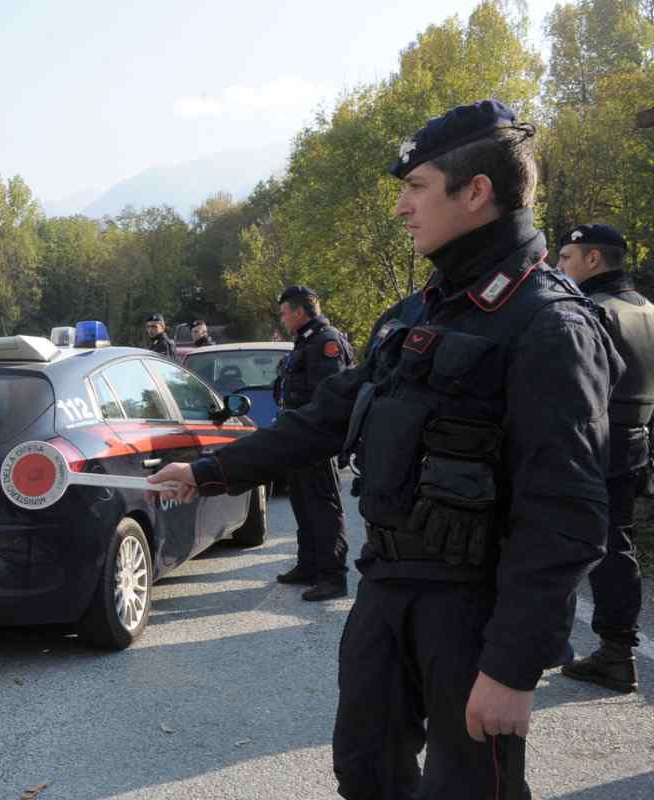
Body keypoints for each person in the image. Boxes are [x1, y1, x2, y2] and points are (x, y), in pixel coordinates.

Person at [149, 100, 619, 799]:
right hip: (388, 589)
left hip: (472, 612)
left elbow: (566, 515)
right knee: (364, 771)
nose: (402, 207)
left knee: (470, 790)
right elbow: (326, 417)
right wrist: (211, 470)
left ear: (478, 192)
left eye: (416, 187)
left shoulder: (547, 324)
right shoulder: (419, 313)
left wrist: (512, 668)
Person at [555, 224, 654, 694]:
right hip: (635, 438)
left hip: (592, 438)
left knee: (566, 540)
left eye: (567, 258)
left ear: (593, 260)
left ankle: (564, 646)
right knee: (617, 543)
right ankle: (617, 651)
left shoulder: (591, 310)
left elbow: (569, 386)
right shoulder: (648, 308)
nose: (561, 268)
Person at [273, 285, 354, 601]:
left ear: (299, 312)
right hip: (298, 436)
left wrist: (313, 436)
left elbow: (329, 396)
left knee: (323, 506)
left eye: (283, 313)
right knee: (302, 503)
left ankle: (334, 576)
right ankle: (308, 566)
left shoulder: (326, 342)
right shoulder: (306, 341)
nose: (282, 319)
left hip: (315, 439)